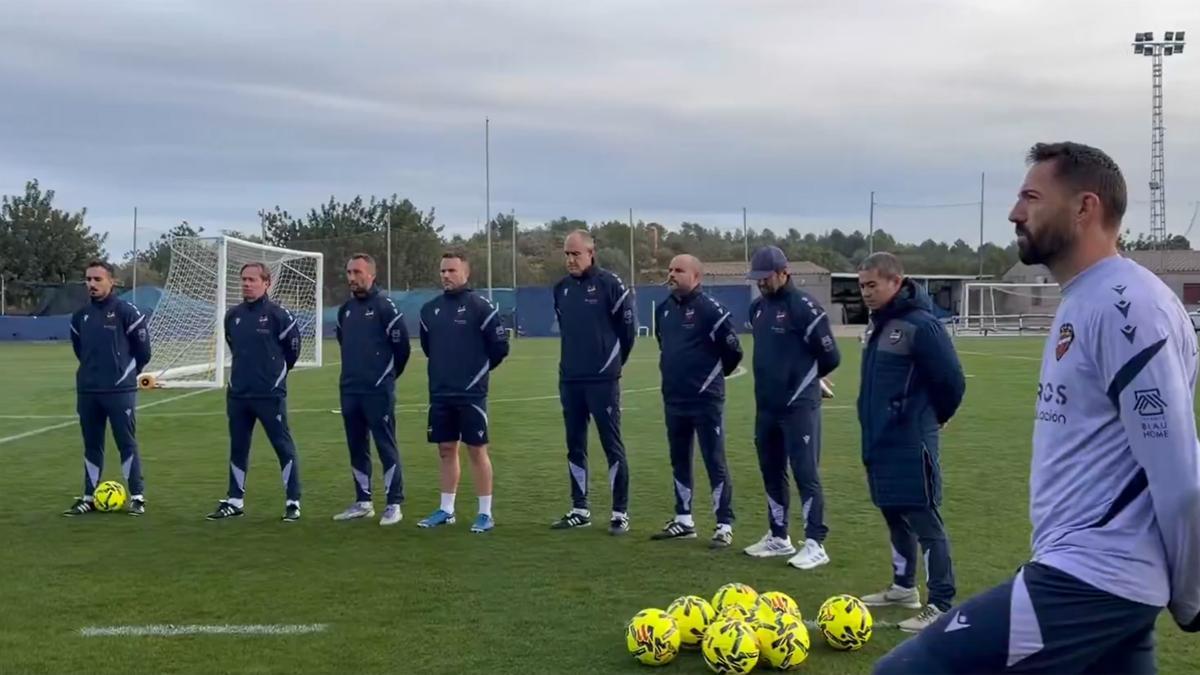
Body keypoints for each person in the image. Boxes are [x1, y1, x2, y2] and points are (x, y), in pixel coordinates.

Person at [874, 142, 1200, 674]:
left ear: (1084, 208)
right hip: (1102, 578)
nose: (1014, 212)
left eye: (1030, 196)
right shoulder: (1086, 297)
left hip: (1092, 578)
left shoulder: (1127, 306)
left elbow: (1179, 475)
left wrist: (1189, 597)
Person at [856, 251, 966, 633]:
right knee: (893, 513)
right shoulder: (878, 326)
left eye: (873, 285)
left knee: (924, 518)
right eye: (862, 286)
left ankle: (940, 602)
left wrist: (936, 416)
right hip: (879, 438)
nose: (866, 293)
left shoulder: (922, 326)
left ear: (896, 282)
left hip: (910, 438)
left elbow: (952, 381)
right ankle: (904, 587)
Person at [743, 245, 840, 568]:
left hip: (799, 406)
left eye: (766, 277)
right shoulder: (757, 309)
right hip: (766, 406)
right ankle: (779, 537)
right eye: (756, 278)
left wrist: (810, 381)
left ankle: (815, 543)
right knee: (771, 471)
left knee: (805, 472)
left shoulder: (804, 307)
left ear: (784, 272)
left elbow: (831, 356)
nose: (761, 283)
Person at [651, 254, 743, 547]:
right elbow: (663, 345)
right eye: (670, 269)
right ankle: (684, 520)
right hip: (674, 399)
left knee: (714, 460)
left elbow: (733, 352)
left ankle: (723, 524)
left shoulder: (711, 310)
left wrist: (710, 379)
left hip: (706, 400)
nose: (672, 274)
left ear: (696, 277)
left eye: (679, 270)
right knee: (679, 460)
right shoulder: (663, 310)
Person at [550, 229, 637, 534]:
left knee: (611, 445)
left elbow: (628, 334)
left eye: (576, 253)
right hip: (571, 380)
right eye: (566, 254)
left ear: (591, 253)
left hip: (603, 382)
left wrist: (611, 365)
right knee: (575, 445)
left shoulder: (611, 285)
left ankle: (619, 512)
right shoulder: (560, 289)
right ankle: (579, 508)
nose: (570, 259)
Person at [417, 251, 510, 533]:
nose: (446, 275)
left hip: (471, 393)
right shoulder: (429, 310)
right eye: (443, 270)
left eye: (452, 271)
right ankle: (446, 509)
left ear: (466, 273)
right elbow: (427, 347)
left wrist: (475, 373)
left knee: (477, 450)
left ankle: (485, 513)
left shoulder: (481, 307)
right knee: (446, 450)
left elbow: (499, 348)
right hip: (441, 392)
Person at [206, 262, 304, 522]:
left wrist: (273, 377)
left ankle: (293, 501)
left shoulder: (278, 315)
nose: (247, 284)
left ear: (266, 283)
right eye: (244, 280)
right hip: (238, 394)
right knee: (238, 448)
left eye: (252, 279)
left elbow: (292, 350)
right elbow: (233, 345)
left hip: (269, 395)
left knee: (283, 446)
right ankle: (234, 501)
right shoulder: (233, 316)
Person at [63, 260, 151, 516]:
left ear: (112, 281)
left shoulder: (127, 311)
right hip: (88, 391)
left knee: (126, 442)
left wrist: (125, 374)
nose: (91, 284)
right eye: (88, 279)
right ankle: (88, 497)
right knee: (92, 444)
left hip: (119, 391)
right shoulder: (80, 316)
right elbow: (80, 351)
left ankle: (137, 496)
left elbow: (143, 351)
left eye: (97, 279)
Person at [332, 254, 411, 526]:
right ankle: (363, 502)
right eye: (349, 272)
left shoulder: (385, 307)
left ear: (372, 275)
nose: (352, 278)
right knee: (356, 446)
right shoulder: (346, 310)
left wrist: (386, 377)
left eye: (358, 272)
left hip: (378, 391)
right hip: (350, 390)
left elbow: (402, 350)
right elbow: (344, 342)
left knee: (385, 445)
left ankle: (394, 503)